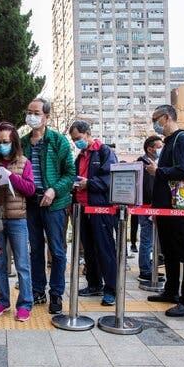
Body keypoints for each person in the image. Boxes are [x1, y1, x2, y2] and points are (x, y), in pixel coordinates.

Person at [21, 98, 76, 314]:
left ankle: (56, 294)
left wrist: (53, 190)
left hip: (54, 205)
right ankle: (37, 291)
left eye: (36, 112)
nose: (31, 116)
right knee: (35, 250)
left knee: (57, 251)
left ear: (46, 117)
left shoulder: (58, 141)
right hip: (31, 203)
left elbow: (70, 174)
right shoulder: (23, 142)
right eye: (29, 111)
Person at [144, 105, 184, 317]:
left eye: (155, 119)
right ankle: (171, 291)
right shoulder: (169, 142)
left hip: (177, 207)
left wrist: (159, 171)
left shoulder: (182, 138)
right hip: (165, 207)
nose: (154, 123)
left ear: (167, 117)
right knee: (170, 252)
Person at [0, 121, 36, 321]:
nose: (1, 144)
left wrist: (12, 176)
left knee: (22, 264)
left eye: (5, 141)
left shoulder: (24, 162)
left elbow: (30, 190)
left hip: (18, 220)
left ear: (13, 141)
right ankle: (3, 301)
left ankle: (25, 304)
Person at [69, 120, 118, 305]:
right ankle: (94, 283)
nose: (77, 143)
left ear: (88, 133)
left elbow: (109, 179)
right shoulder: (80, 156)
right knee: (88, 249)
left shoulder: (104, 152)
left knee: (105, 249)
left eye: (79, 138)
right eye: (74, 140)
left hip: (101, 209)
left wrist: (88, 183)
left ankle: (111, 290)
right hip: (82, 209)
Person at [137, 135, 164, 282]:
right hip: (147, 207)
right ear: (150, 149)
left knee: (153, 240)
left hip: (156, 207)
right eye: (159, 147)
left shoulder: (157, 163)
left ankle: (151, 268)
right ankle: (145, 270)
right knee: (147, 239)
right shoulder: (143, 164)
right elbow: (148, 188)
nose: (161, 150)